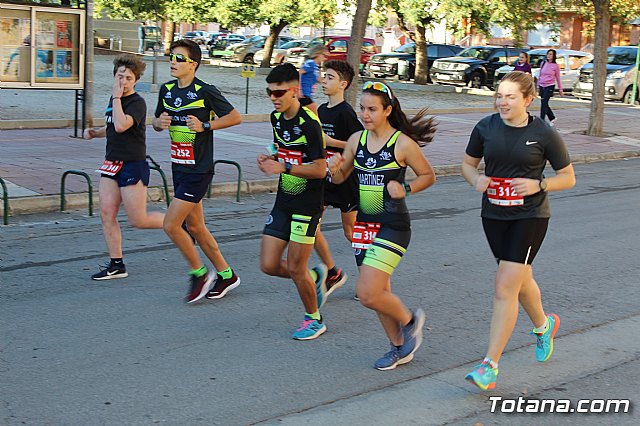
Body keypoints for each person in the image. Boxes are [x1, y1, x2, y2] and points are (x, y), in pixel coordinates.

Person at [461, 71, 576, 390]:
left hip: (531, 215)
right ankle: (544, 324)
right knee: (519, 279)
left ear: (528, 100)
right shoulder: (485, 127)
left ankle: (490, 366)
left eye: (510, 96)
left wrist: (538, 183)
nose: (502, 101)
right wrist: (476, 180)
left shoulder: (543, 133)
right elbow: (467, 165)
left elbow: (568, 177)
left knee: (504, 285)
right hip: (494, 215)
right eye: (499, 95)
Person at [327, 81, 436, 370]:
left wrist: (407, 189)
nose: (365, 114)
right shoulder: (355, 141)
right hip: (365, 222)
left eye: (372, 109)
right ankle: (399, 347)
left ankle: (411, 321)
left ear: (387, 110)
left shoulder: (401, 143)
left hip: (393, 225)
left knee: (367, 293)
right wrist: (335, 169)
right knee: (379, 294)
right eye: (362, 108)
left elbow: (427, 175)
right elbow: (339, 179)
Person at [152, 39, 243, 303]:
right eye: (172, 56)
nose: (173, 61)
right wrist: (160, 122)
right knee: (196, 227)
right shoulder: (167, 90)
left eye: (179, 58)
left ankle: (200, 273)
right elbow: (157, 122)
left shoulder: (205, 90)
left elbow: (235, 116)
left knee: (171, 224)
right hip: (178, 166)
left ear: (193, 64)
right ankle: (227, 275)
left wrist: (205, 125)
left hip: (199, 169)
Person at [257, 63, 329, 341]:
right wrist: (271, 160)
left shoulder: (310, 124)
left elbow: (320, 169)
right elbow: (282, 152)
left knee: (297, 267)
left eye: (279, 93)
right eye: (270, 93)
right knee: (269, 265)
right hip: (283, 200)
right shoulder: (276, 119)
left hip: (307, 204)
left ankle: (314, 319)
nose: (274, 98)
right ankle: (313, 279)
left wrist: (284, 168)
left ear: (295, 92)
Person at [84, 54, 164, 280]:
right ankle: (116, 264)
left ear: (135, 81)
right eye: (120, 76)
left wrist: (117, 98)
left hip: (132, 165)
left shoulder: (137, 102)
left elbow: (121, 125)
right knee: (106, 213)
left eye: (129, 78)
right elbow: (111, 126)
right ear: (114, 76)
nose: (124, 81)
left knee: (138, 220)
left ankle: (177, 223)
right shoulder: (114, 100)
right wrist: (94, 133)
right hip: (112, 164)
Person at [315, 60, 364, 299]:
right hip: (325, 177)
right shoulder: (322, 110)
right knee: (310, 225)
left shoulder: (346, 113)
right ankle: (333, 272)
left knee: (351, 231)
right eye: (324, 76)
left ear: (343, 84)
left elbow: (360, 145)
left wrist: (331, 143)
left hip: (346, 179)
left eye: (330, 77)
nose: (324, 80)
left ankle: (369, 277)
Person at [298, 45, 328, 114]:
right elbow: (298, 73)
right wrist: (299, 90)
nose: (325, 59)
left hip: (308, 94)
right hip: (303, 94)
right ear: (318, 54)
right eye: (324, 56)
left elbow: (319, 80)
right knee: (315, 115)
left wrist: (320, 68)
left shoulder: (315, 66)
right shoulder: (310, 63)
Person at [537, 49, 563, 126]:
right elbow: (540, 75)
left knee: (544, 103)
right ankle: (552, 117)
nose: (549, 55)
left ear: (554, 56)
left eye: (551, 54)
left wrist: (560, 89)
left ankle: (541, 121)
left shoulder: (555, 66)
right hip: (542, 85)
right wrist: (538, 85)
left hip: (549, 86)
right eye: (548, 54)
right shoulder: (543, 63)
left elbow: (558, 78)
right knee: (544, 103)